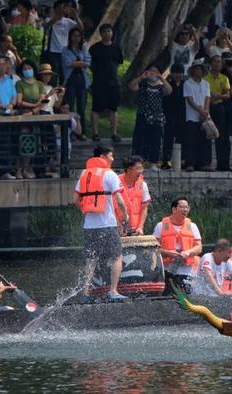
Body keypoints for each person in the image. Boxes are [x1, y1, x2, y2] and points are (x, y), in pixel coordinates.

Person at [74, 145, 129, 302]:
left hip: (89, 225)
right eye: (111, 156)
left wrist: (86, 210)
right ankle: (113, 292)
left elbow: (75, 200)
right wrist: (124, 217)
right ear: (103, 157)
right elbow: (120, 200)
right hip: (107, 224)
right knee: (117, 255)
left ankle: (85, 294)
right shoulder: (110, 174)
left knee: (91, 259)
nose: (113, 159)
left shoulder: (84, 174)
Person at [154, 197, 203, 294]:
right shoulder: (161, 226)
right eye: (182, 207)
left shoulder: (192, 226)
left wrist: (188, 252)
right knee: (168, 293)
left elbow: (199, 247)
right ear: (174, 209)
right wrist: (168, 253)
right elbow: (154, 248)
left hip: (185, 267)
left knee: (184, 294)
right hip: (167, 267)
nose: (185, 210)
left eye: (187, 207)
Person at [128, 66, 171, 168]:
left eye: (155, 72)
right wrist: (141, 77)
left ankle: (153, 162)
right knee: (140, 139)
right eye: (151, 72)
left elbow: (169, 91)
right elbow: (131, 86)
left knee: (155, 140)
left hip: (156, 117)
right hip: (143, 116)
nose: (153, 74)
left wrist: (161, 78)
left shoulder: (160, 88)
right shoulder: (142, 85)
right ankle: (137, 162)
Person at [89, 24, 123, 143]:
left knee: (113, 108)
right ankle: (95, 133)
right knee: (96, 108)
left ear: (112, 33)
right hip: (98, 82)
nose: (107, 34)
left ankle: (114, 133)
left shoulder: (116, 48)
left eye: (109, 31)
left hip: (113, 82)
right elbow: (90, 64)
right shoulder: (94, 48)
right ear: (100, 33)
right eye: (104, 31)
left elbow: (118, 63)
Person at [45, 0, 82, 86]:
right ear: (55, 9)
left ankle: (62, 95)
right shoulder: (49, 19)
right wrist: (59, 15)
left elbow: (81, 27)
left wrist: (75, 15)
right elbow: (47, 25)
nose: (61, 10)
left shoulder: (68, 21)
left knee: (64, 76)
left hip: (65, 52)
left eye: (63, 8)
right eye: (59, 8)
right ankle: (52, 95)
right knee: (53, 76)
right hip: (53, 52)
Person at [62, 27, 91, 138]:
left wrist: (76, 63)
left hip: (82, 80)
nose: (76, 38)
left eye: (78, 36)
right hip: (70, 80)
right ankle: (71, 131)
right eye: (74, 35)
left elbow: (87, 62)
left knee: (81, 107)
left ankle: (81, 131)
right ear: (70, 37)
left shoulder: (83, 49)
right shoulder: (66, 50)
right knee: (70, 106)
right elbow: (68, 63)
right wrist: (80, 63)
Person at [204, 55, 231, 171]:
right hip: (208, 107)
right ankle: (206, 163)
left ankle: (223, 164)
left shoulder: (224, 78)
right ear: (211, 63)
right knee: (207, 134)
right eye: (214, 61)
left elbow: (227, 95)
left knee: (222, 136)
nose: (217, 64)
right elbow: (205, 94)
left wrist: (217, 95)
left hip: (219, 107)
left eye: (219, 62)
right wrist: (212, 97)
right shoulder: (205, 78)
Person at [183, 60, 211, 172]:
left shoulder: (206, 84)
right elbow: (189, 100)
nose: (198, 71)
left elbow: (207, 98)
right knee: (191, 141)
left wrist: (206, 111)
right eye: (196, 69)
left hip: (204, 116)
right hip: (191, 116)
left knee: (204, 141)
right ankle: (190, 163)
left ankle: (203, 163)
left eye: (200, 69)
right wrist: (200, 110)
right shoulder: (188, 84)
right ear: (193, 70)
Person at [114, 156, 151, 236]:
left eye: (141, 168)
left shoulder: (143, 184)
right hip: (116, 229)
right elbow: (110, 208)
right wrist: (119, 226)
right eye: (138, 168)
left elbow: (144, 207)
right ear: (129, 170)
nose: (141, 171)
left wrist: (140, 227)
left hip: (136, 230)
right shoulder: (115, 183)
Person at [162, 63, 186, 169]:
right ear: (172, 73)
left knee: (182, 137)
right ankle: (166, 160)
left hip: (182, 115)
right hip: (169, 114)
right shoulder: (168, 84)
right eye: (176, 72)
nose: (178, 75)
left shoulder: (186, 84)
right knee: (168, 138)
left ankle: (182, 160)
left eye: (180, 73)